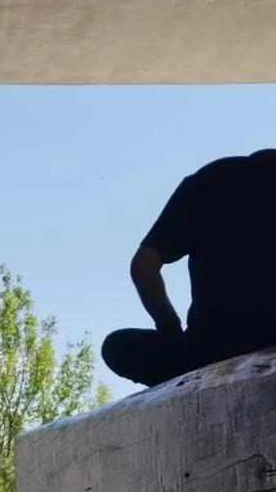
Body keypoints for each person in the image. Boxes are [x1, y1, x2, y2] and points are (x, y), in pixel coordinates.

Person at [102, 149, 276, 388]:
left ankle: (184, 383)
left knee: (116, 347)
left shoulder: (213, 178)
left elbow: (143, 268)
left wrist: (171, 330)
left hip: (210, 349)